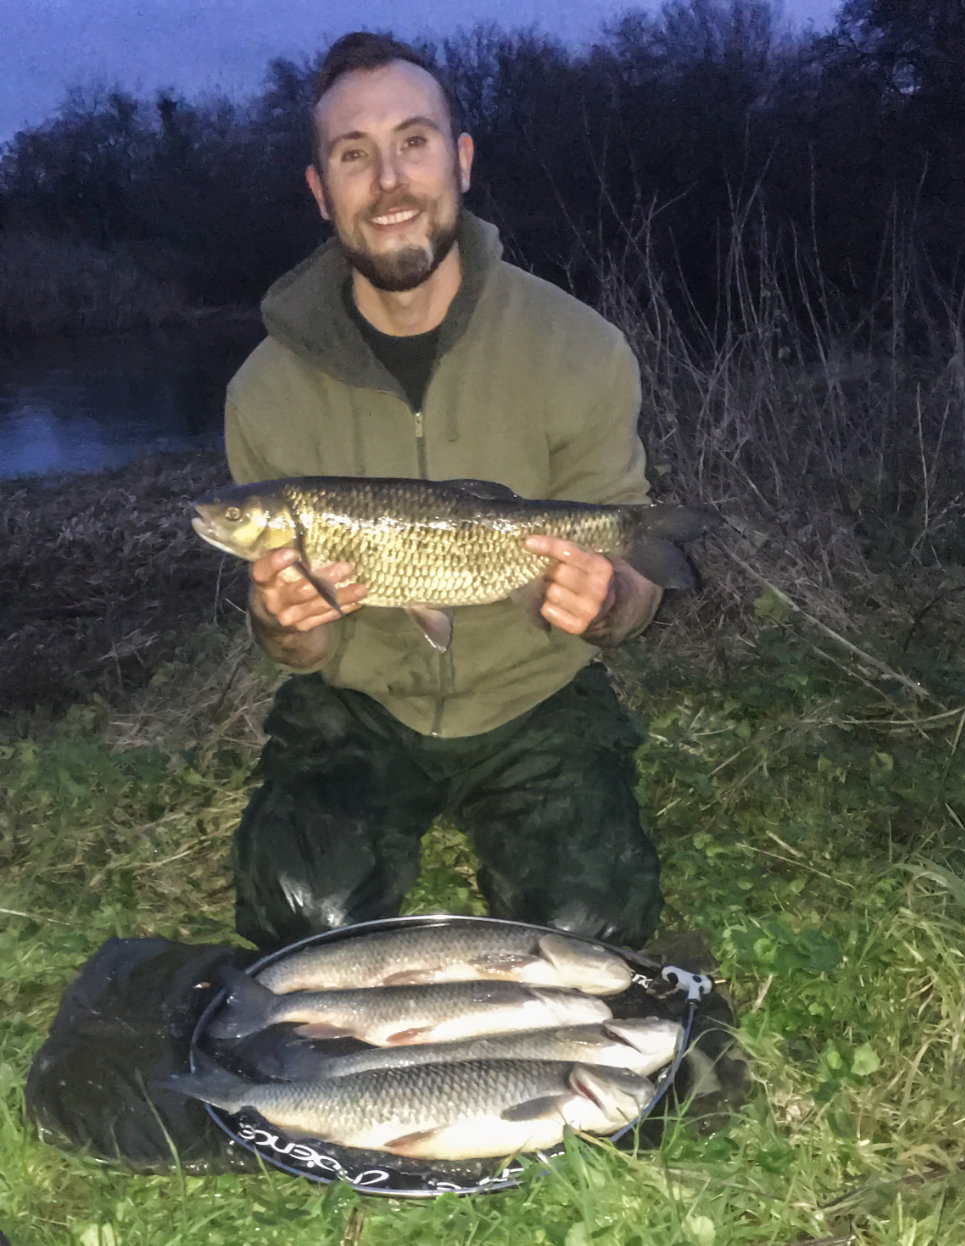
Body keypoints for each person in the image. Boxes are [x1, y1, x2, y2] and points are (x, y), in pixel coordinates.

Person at [224, 31, 667, 953]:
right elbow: (288, 644)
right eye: (354, 155)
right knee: (307, 918)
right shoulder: (262, 390)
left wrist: (612, 597)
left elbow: (631, 584)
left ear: (460, 161)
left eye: (414, 141)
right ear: (321, 190)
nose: (388, 181)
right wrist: (286, 626)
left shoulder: (580, 347)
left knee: (588, 931)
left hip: (536, 692)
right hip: (362, 701)